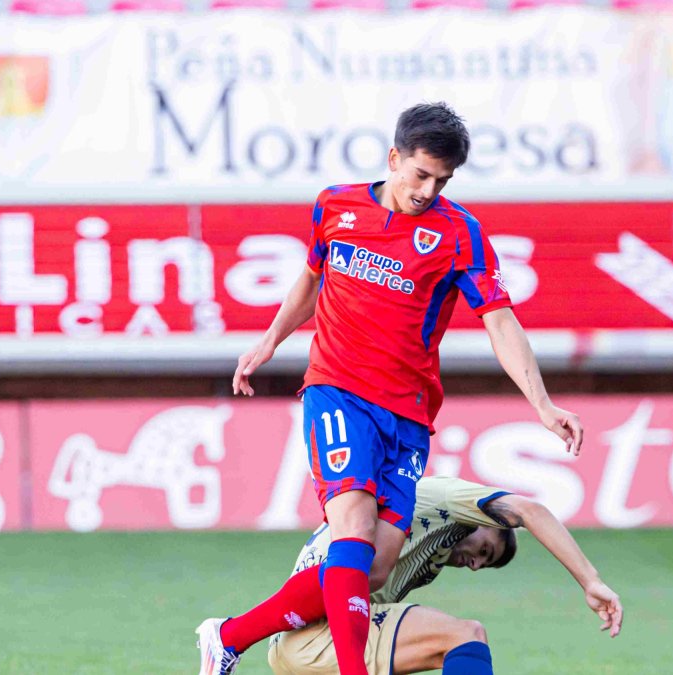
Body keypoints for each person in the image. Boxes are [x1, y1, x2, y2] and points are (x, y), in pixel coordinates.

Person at [198, 102, 584, 675]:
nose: (428, 190)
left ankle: (229, 636)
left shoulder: (460, 234)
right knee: (350, 524)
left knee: (374, 567)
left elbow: (500, 320)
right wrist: (271, 340)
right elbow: (312, 277)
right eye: (420, 174)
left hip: (407, 416)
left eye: (443, 180)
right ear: (394, 157)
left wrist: (542, 404)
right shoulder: (336, 205)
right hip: (338, 389)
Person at [267, 475, 624, 674]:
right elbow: (531, 510)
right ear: (485, 521)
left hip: (297, 642)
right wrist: (590, 580)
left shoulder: (432, 553)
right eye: (485, 551)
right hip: (316, 634)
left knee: (450, 650)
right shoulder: (448, 498)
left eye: (483, 566)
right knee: (466, 636)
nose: (475, 564)